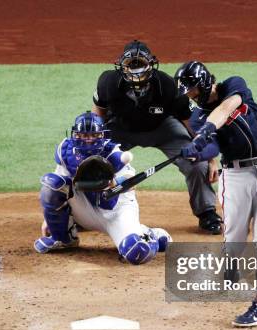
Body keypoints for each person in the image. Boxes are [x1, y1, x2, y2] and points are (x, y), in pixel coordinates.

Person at [175, 61, 257, 327]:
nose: (189, 95)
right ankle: (231, 266)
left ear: (202, 83)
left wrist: (207, 131)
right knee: (235, 235)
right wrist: (197, 150)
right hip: (236, 176)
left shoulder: (233, 85)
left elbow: (226, 108)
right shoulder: (199, 117)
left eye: (191, 90)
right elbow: (212, 149)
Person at [91, 40, 222, 234]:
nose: (136, 69)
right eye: (131, 64)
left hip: (163, 128)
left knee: (197, 162)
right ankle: (87, 213)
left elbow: (190, 123)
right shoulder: (108, 82)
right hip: (122, 128)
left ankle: (207, 213)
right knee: (93, 162)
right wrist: (95, 145)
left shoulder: (167, 85)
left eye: (140, 63)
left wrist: (210, 158)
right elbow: (98, 115)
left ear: (150, 64)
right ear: (122, 66)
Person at [34, 111, 172, 265]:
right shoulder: (66, 150)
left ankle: (149, 234)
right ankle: (62, 238)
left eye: (92, 135)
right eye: (83, 135)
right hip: (84, 207)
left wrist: (115, 183)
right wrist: (49, 219)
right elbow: (61, 184)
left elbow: (130, 183)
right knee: (52, 184)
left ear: (101, 136)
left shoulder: (114, 154)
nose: (88, 140)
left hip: (115, 212)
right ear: (75, 135)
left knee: (136, 251)